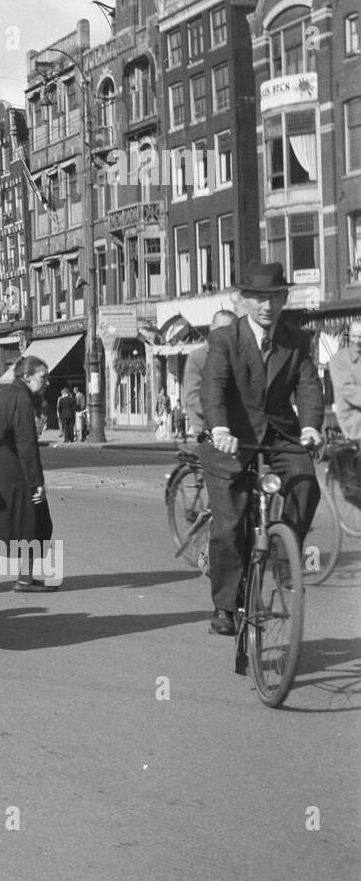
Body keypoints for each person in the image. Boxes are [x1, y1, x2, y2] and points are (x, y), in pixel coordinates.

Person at [200, 261, 323, 637]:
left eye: (274, 297)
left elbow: (308, 386)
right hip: (231, 437)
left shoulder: (297, 339)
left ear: (284, 298)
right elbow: (214, 387)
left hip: (278, 434)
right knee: (229, 524)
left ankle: (286, 553)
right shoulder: (226, 339)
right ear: (243, 301)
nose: (267, 306)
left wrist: (310, 428)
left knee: (305, 481)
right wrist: (219, 427)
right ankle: (225, 605)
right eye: (258, 298)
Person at [0, 356, 52, 591]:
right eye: (43, 376)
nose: (47, 382)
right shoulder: (22, 399)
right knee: (34, 523)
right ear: (27, 376)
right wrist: (36, 482)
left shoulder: (3, 395)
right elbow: (26, 443)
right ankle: (25, 579)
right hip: (14, 472)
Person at [182, 309, 237, 444]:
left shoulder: (239, 356)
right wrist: (221, 415)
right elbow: (192, 396)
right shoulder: (198, 357)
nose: (225, 335)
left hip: (236, 426)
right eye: (220, 330)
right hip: (206, 426)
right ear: (211, 329)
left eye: (230, 331)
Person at [326, 321, 361, 443]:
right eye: (354, 336)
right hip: (353, 416)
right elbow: (348, 391)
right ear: (348, 335)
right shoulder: (338, 360)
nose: (357, 341)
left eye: (360, 337)